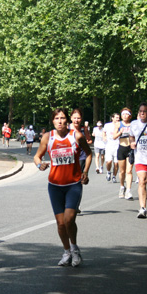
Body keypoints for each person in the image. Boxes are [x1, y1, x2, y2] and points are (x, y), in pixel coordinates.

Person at [34, 108, 92, 267]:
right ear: (53, 121)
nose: (60, 121)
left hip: (73, 184)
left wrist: (85, 172)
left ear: (67, 121)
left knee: (69, 219)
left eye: (62, 118)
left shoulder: (76, 136)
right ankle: (66, 251)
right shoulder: (48, 137)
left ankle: (74, 249)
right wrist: (40, 165)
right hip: (54, 186)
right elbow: (37, 156)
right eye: (56, 118)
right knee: (60, 223)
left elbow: (88, 154)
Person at [115, 108, 134, 200]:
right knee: (122, 171)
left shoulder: (133, 124)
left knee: (129, 171)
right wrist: (120, 132)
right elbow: (114, 137)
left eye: (127, 114)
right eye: (123, 114)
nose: (125, 116)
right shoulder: (118, 124)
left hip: (130, 148)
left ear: (130, 115)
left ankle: (129, 190)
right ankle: (122, 186)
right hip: (121, 148)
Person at [103, 113, 120, 183]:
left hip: (117, 146)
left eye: (118, 118)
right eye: (116, 117)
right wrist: (104, 137)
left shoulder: (120, 125)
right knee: (109, 161)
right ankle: (108, 171)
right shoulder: (107, 125)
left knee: (116, 163)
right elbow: (104, 132)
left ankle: (114, 176)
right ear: (112, 118)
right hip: (109, 146)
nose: (118, 119)